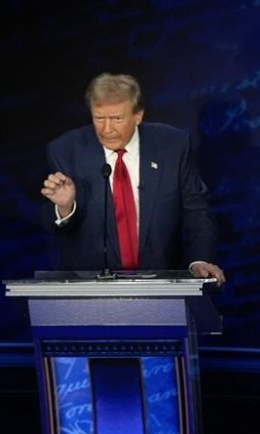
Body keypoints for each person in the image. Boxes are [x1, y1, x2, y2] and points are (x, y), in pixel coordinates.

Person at [39, 72, 226, 285]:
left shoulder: (172, 146)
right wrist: (65, 208)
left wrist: (199, 259)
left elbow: (196, 209)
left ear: (138, 116)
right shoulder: (65, 151)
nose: (106, 129)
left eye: (117, 119)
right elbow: (49, 224)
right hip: (89, 287)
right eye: (99, 118)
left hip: (161, 283)